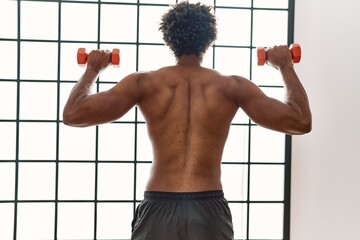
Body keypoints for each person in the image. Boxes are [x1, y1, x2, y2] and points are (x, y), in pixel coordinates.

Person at [63, 2, 312, 239]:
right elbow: (300, 121)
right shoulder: (232, 87)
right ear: (209, 40)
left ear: (169, 40)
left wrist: (92, 69)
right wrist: (284, 65)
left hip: (158, 206)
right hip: (208, 210)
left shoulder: (143, 83)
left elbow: (73, 114)